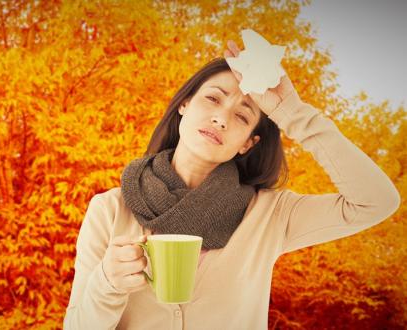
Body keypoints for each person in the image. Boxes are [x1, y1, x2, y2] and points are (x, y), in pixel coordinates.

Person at [63, 40, 401, 330]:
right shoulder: (109, 210)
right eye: (213, 99)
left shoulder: (270, 215)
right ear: (184, 104)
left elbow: (376, 201)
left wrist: (292, 113)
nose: (221, 118)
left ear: (247, 144)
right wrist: (107, 283)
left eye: (241, 116)